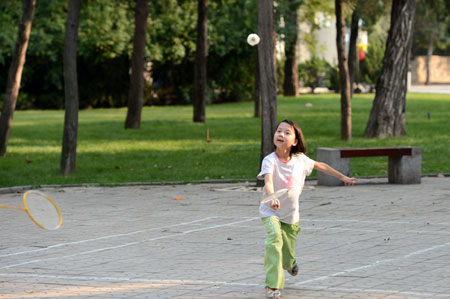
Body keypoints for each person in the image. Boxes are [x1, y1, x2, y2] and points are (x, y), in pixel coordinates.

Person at [257, 119, 356, 298]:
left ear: (295, 141)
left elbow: (321, 166)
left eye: (287, 132)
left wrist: (343, 177)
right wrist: (272, 198)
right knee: (274, 239)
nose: (281, 134)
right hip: (271, 211)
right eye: (279, 131)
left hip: (291, 216)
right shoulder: (269, 160)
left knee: (287, 258)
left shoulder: (300, 160)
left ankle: (291, 264)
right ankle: (272, 286)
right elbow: (268, 182)